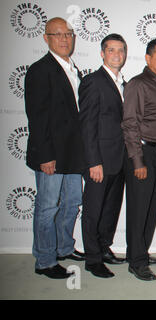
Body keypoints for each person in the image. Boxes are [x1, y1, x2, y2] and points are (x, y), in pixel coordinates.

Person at [25, 17, 85, 279]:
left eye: (68, 34)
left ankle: (63, 247)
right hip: (51, 155)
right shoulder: (40, 70)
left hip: (73, 154)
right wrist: (46, 156)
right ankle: (45, 260)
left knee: (73, 202)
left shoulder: (74, 69)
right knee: (48, 206)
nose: (64, 39)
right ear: (46, 38)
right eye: (57, 34)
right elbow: (36, 117)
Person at [121, 38, 156, 281]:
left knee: (152, 208)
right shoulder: (137, 84)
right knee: (139, 209)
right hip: (143, 153)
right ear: (148, 58)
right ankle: (136, 262)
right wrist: (137, 160)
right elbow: (130, 124)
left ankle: (141, 251)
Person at [78, 34, 128, 278]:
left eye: (120, 50)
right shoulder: (93, 81)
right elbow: (87, 125)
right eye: (111, 50)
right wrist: (93, 161)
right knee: (93, 209)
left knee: (111, 208)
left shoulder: (123, 84)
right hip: (99, 160)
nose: (116, 54)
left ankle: (104, 247)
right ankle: (92, 259)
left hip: (119, 159)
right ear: (102, 53)